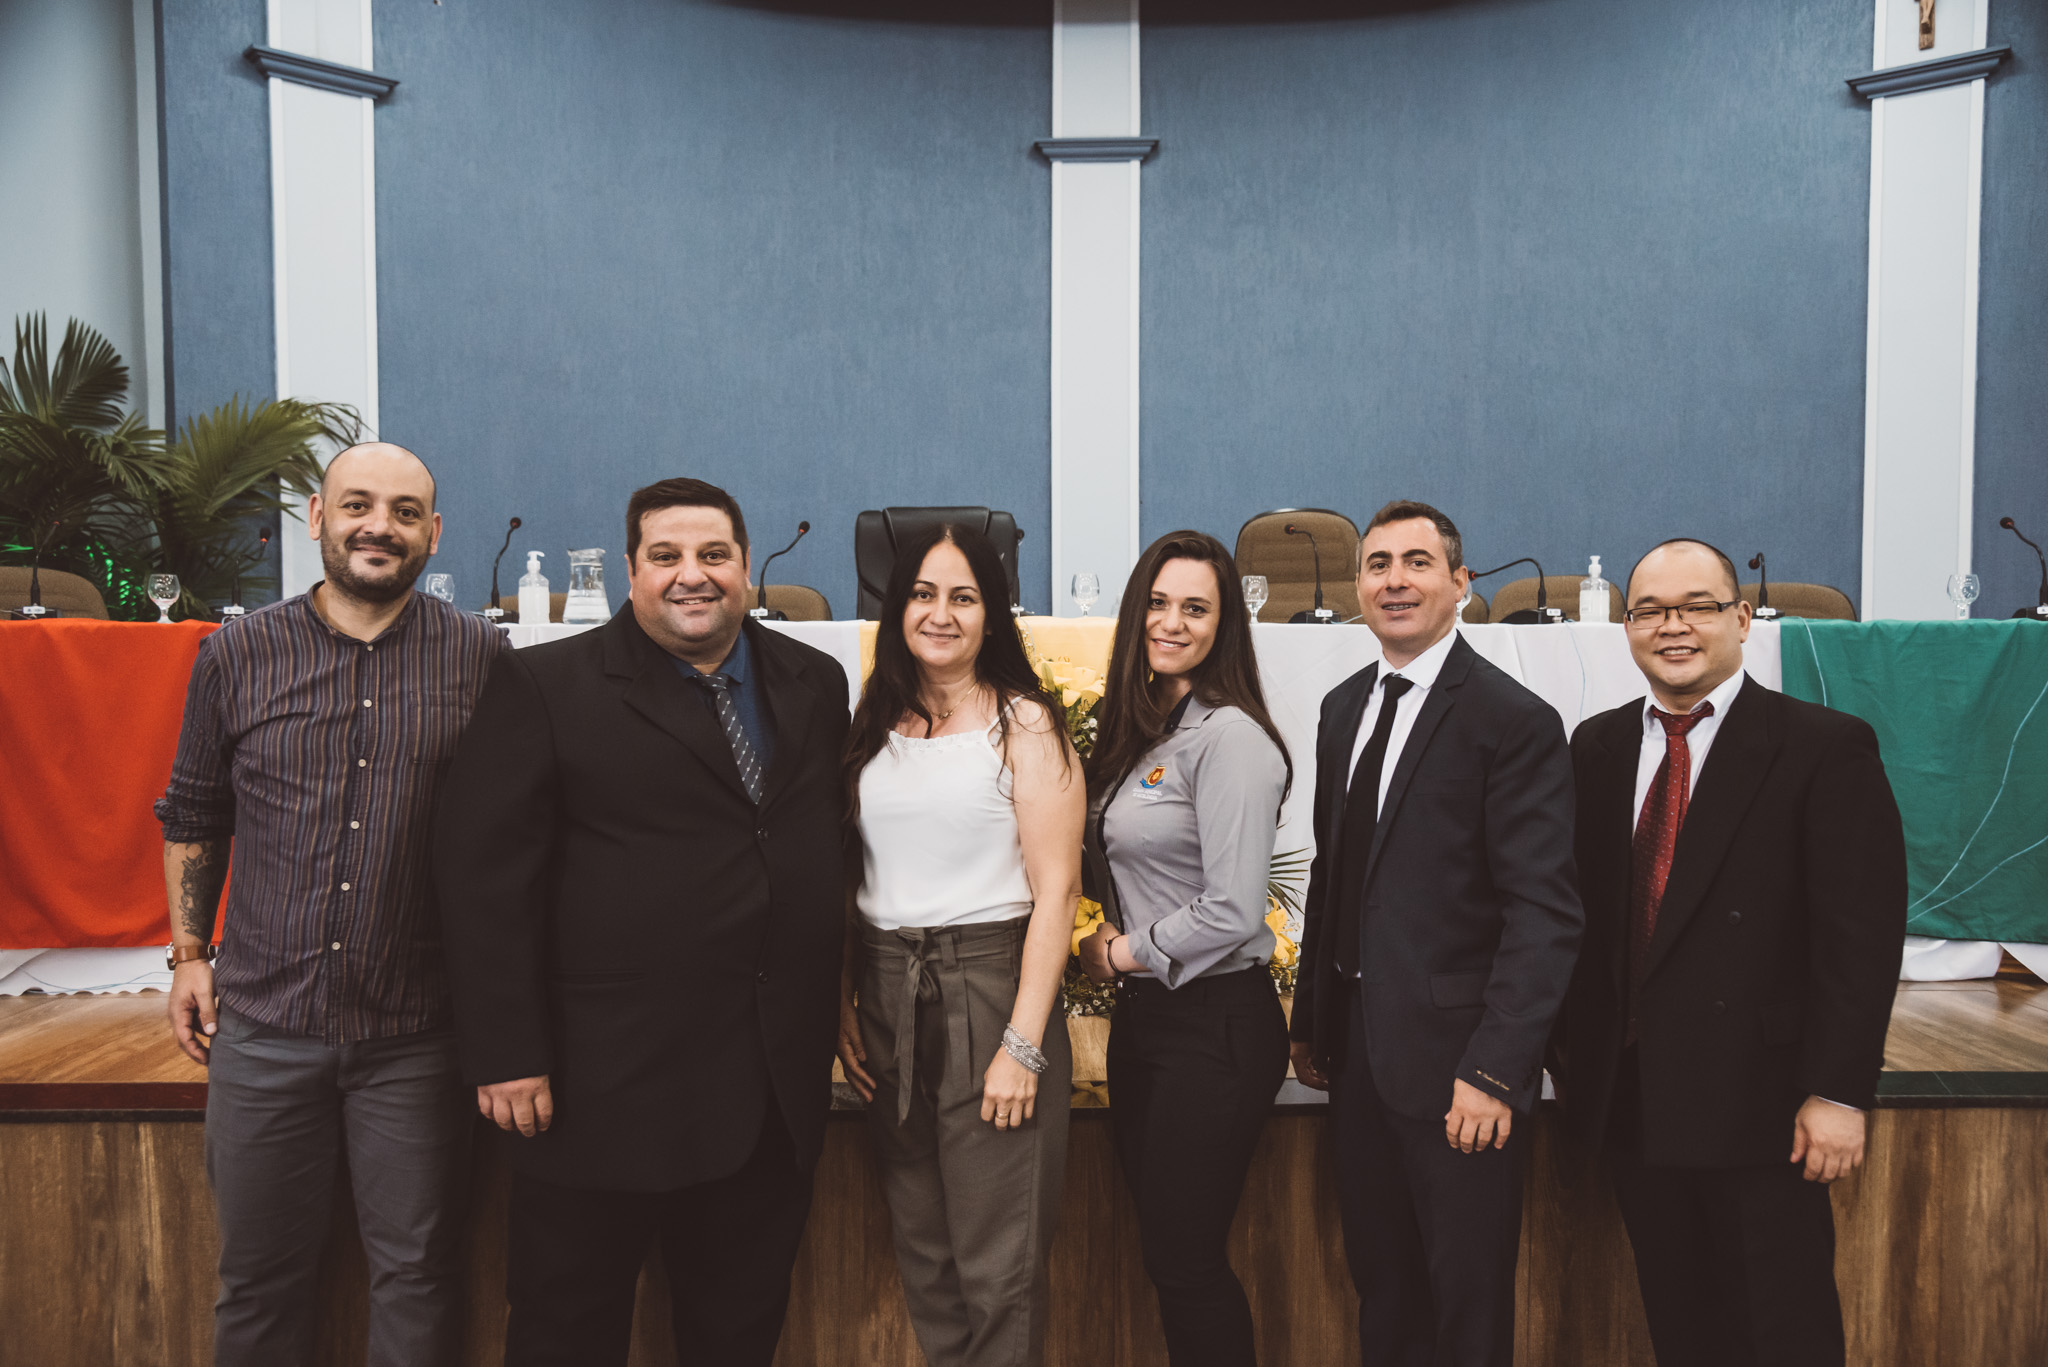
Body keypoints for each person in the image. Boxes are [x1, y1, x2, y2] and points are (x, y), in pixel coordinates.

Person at [430, 478, 851, 1366]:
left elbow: (815, 844)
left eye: (713, 554)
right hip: (599, 1093)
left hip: (765, 1089)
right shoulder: (544, 684)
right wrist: (505, 1051)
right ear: (631, 570)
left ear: (746, 565)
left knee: (737, 1336)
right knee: (566, 1336)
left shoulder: (813, 681)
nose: (692, 574)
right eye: (667, 556)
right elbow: (483, 882)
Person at [155, 442, 503, 1367]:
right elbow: (194, 812)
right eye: (357, 504)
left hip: (418, 1034)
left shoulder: (482, 657)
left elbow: (513, 835)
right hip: (264, 1027)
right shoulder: (236, 653)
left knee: (419, 1275)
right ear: (317, 516)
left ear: (434, 532)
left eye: (403, 511)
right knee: (259, 1281)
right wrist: (189, 955)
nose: (378, 526)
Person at [1550, 538, 1906, 1367]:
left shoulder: (1823, 745)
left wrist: (1839, 1090)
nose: (1672, 626)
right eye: (1650, 610)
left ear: (1742, 618)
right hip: (1635, 1101)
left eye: (1697, 607)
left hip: (1764, 1109)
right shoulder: (1596, 747)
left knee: (1781, 1337)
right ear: (1627, 627)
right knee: (1682, 1333)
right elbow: (1583, 917)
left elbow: (1860, 934)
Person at [1288, 499, 1582, 1367]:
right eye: (1377, 564)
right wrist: (1311, 1020)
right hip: (1358, 1062)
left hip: (1462, 1071)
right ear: (1358, 586)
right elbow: (1336, 875)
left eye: (1417, 563)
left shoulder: (1512, 718)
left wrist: (1495, 1068)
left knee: (1466, 1308)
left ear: (1461, 583)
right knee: (1384, 1293)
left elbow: (1544, 912)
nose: (1395, 580)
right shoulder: (1343, 706)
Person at [834, 523, 1083, 1367]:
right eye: (923, 594)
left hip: (989, 988)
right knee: (925, 1251)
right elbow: (850, 871)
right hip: (887, 992)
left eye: (963, 597)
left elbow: (1058, 892)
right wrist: (843, 998)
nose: (940, 613)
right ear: (897, 606)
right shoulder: (873, 720)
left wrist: (1022, 1044)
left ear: (992, 614)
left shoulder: (1026, 724)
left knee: (998, 1262)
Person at [1074, 531, 1293, 1366]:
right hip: (1150, 1026)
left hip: (1216, 1026)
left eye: (1195, 608)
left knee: (1186, 1261)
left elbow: (1234, 910)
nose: (1172, 622)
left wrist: (1119, 953)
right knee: (1170, 1259)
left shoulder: (1230, 737)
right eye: (1159, 603)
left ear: (1223, 624)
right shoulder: (1143, 733)